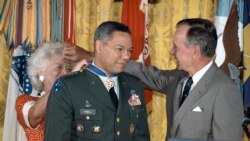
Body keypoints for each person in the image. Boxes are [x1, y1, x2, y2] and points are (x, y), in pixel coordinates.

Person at [123, 18, 244, 141]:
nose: (171, 52)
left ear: (195, 50)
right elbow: (145, 73)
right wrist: (117, 60)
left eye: (176, 47)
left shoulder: (225, 91)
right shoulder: (176, 78)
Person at [44, 21, 150, 141]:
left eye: (130, 50)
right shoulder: (68, 87)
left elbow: (141, 137)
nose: (126, 56)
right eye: (120, 49)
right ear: (99, 46)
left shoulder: (134, 85)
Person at [15, 42, 88, 141]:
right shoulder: (24, 101)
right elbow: (36, 116)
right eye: (59, 67)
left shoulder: (77, 102)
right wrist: (67, 80)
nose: (66, 72)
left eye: (69, 68)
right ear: (41, 71)